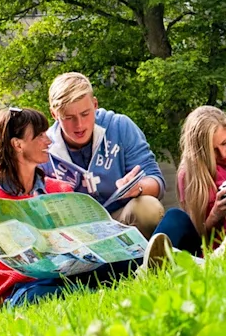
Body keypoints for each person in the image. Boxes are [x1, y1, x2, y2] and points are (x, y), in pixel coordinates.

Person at [0, 107, 153, 309]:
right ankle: (99, 292)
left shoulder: (58, 189)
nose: (49, 140)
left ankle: (152, 265)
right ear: (18, 144)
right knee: (47, 295)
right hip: (20, 290)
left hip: (72, 275)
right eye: (39, 135)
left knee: (132, 259)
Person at [43, 73, 166, 240]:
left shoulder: (120, 126)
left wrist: (138, 187)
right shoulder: (43, 147)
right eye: (69, 118)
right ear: (54, 114)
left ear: (95, 104)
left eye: (85, 114)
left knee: (148, 208)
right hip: (76, 232)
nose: (79, 125)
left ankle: (141, 262)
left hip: (121, 218)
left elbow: (156, 180)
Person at [154, 107, 226, 256]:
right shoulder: (189, 175)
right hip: (206, 251)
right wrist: (215, 215)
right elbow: (197, 234)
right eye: (213, 150)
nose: (223, 154)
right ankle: (146, 267)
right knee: (174, 216)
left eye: (225, 143)